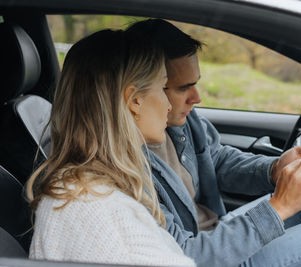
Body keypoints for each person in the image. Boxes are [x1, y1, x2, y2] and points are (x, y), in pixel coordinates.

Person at [125, 19, 301, 267]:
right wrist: (278, 208)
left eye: (196, 83)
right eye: (183, 88)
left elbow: (216, 159)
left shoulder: (181, 121)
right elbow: (184, 257)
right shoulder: (126, 169)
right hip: (213, 255)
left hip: (221, 231)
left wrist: (274, 168)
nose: (197, 98)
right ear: (140, 94)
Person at [26, 29, 195, 267]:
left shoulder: (84, 188)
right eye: (163, 87)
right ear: (134, 99)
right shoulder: (99, 211)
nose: (168, 105)